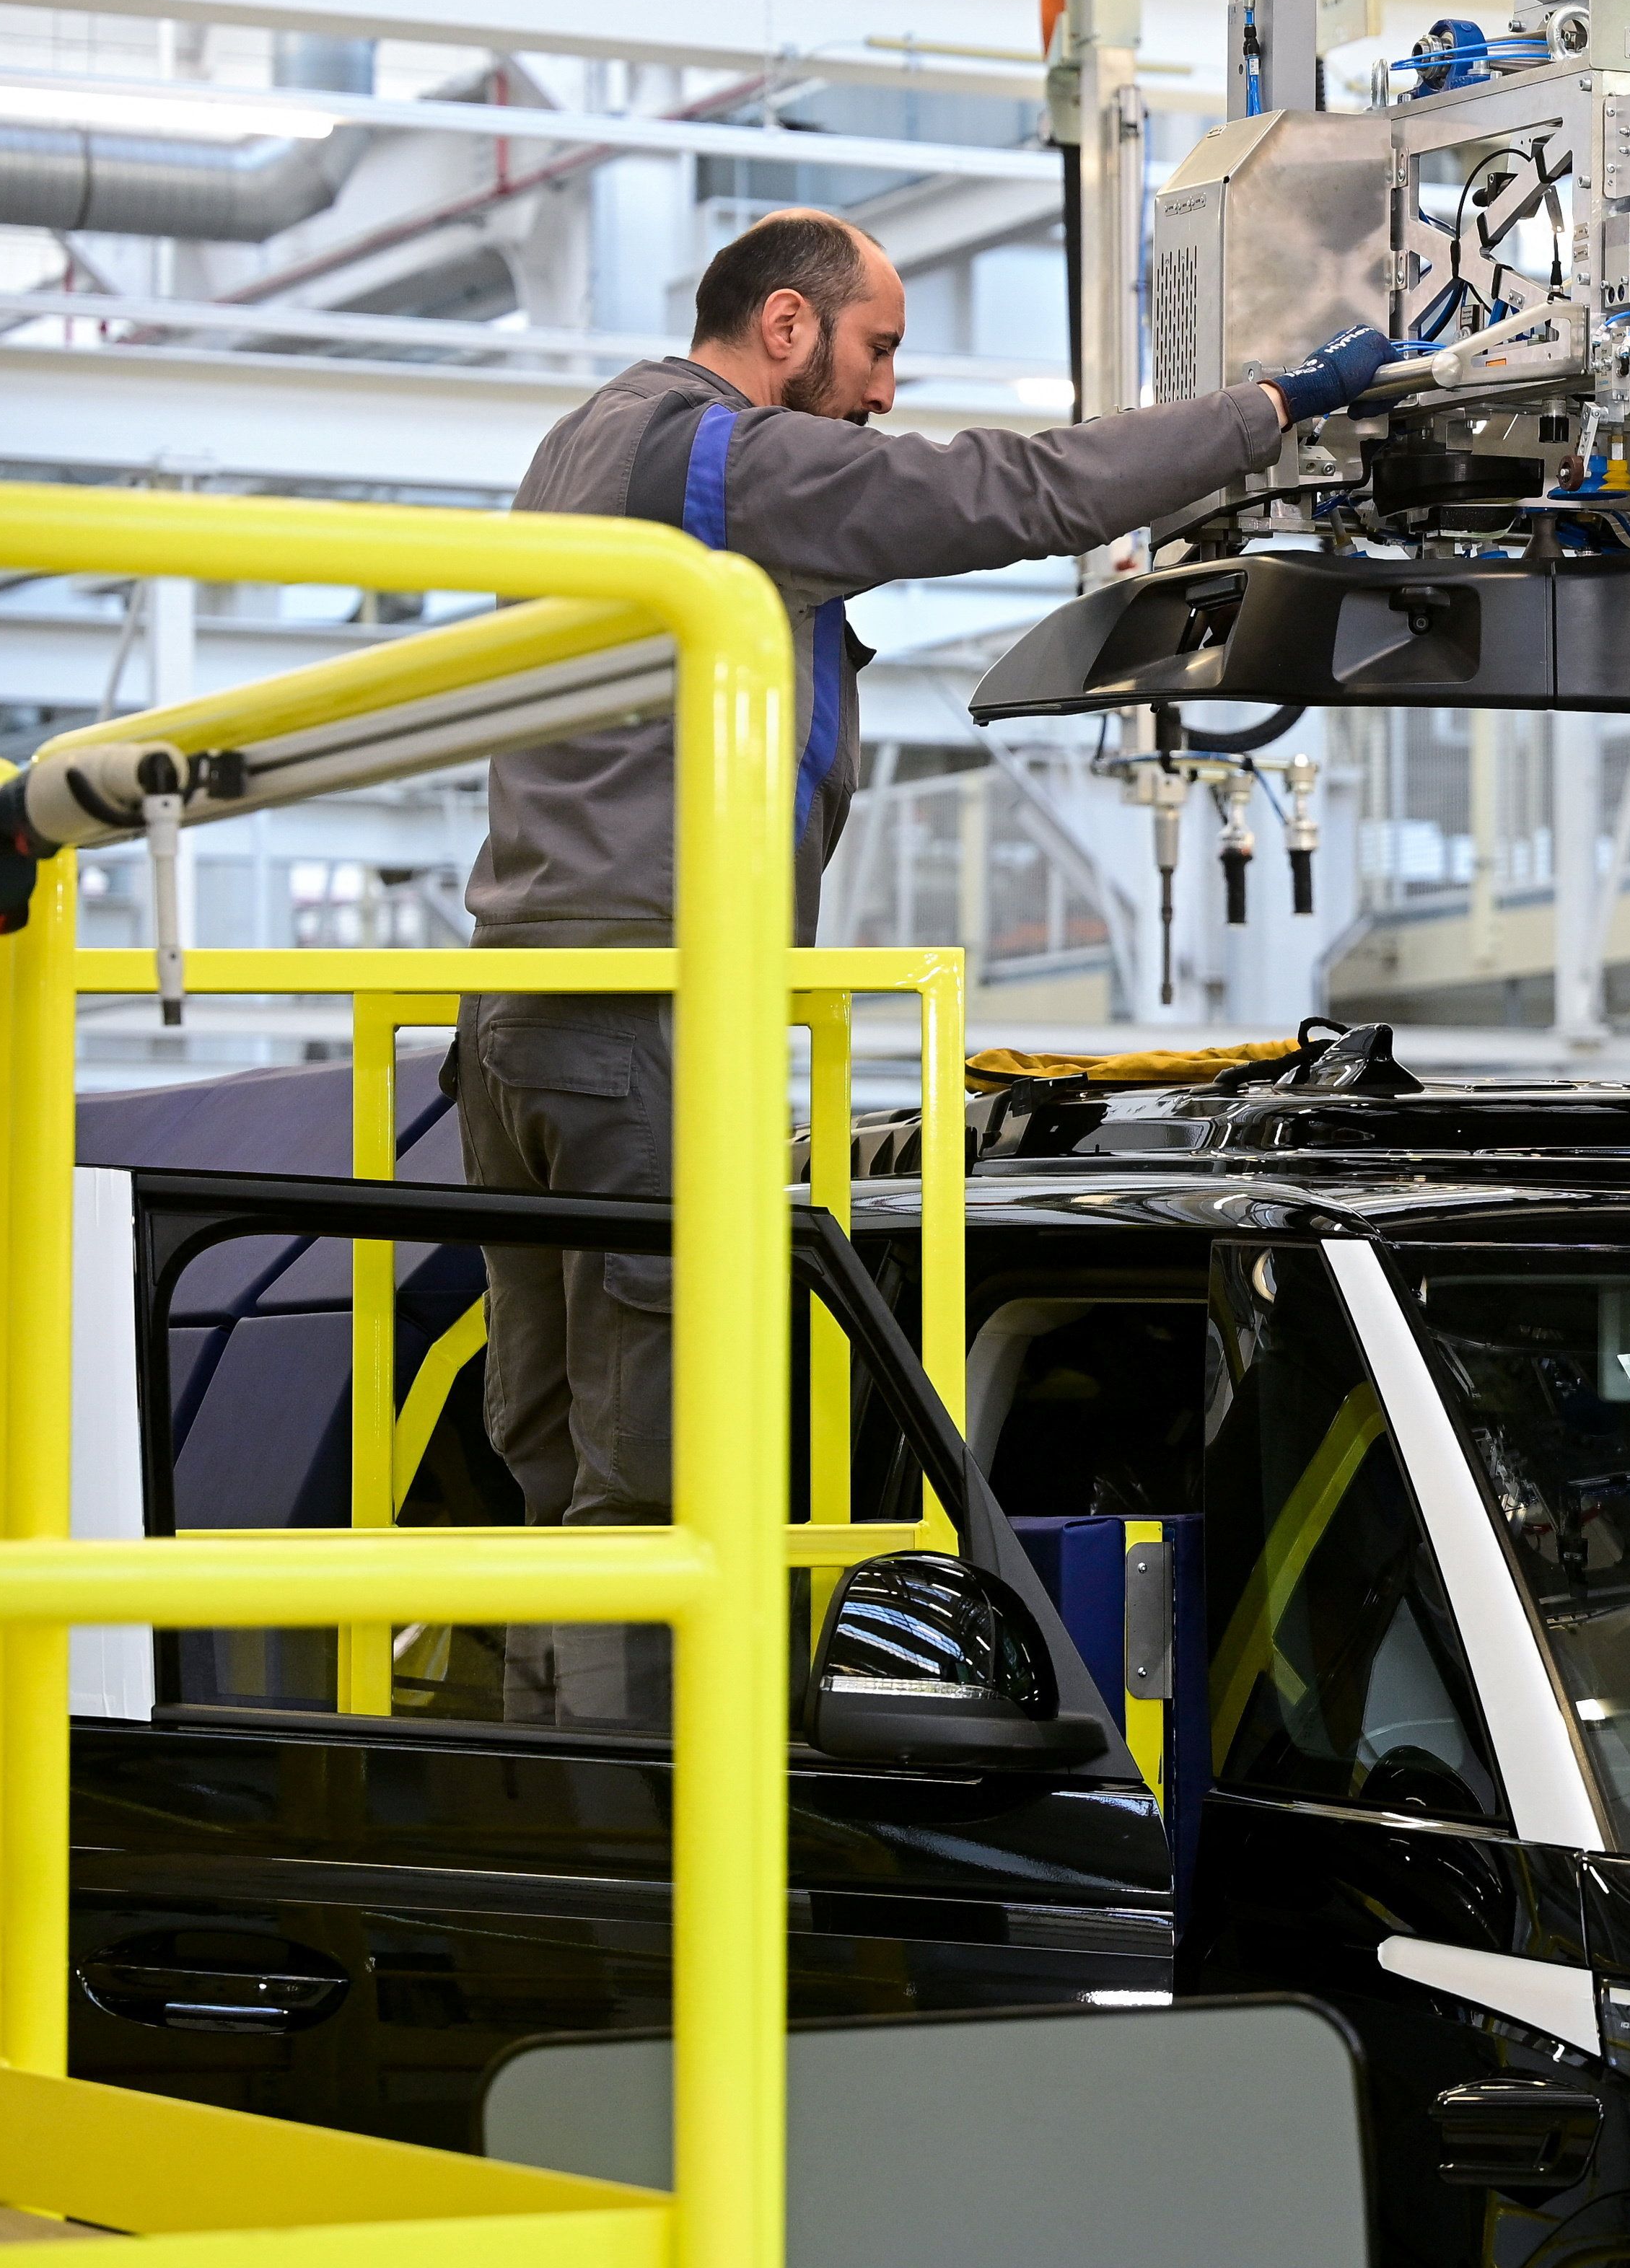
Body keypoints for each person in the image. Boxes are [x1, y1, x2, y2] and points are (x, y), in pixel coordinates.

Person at [462, 204, 1386, 1724]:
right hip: (644, 1018)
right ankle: (641, 1873)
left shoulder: (593, 443)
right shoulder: (724, 461)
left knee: (552, 1455)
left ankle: (547, 1800)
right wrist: (1267, 411)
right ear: (782, 326)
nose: (885, 388)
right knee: (654, 1483)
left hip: (515, 1014)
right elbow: (999, 490)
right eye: (876, 347)